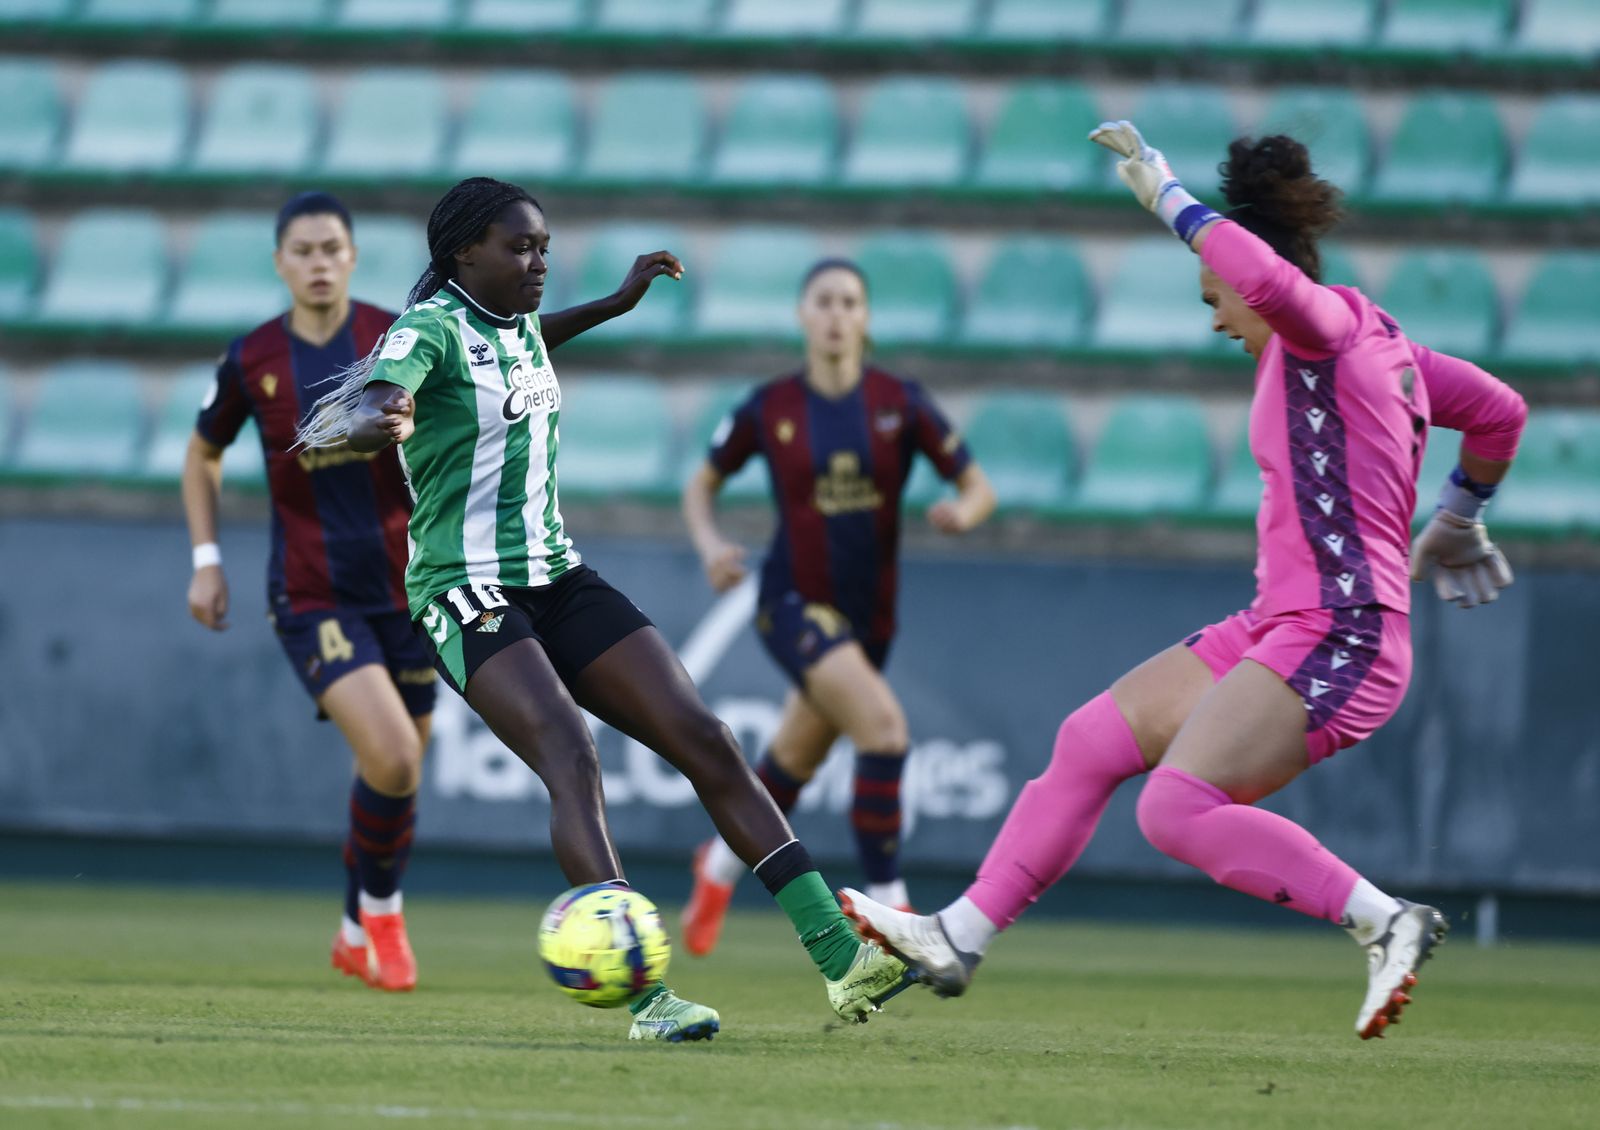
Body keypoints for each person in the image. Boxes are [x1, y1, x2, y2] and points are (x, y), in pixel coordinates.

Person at [841, 125, 1527, 1040]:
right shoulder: (1385, 345)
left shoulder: (1320, 331)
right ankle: (956, 935)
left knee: (1175, 808)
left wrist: (1166, 193)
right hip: (1282, 621)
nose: (1216, 319)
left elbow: (1278, 286)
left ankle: (1385, 919)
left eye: (1217, 299)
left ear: (1251, 283)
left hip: (1343, 634)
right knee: (1090, 740)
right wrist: (1459, 516)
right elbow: (1500, 412)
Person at [295, 177, 910, 1043]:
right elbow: (376, 398)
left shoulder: (513, 332)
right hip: (465, 588)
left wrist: (617, 302)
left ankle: (844, 960)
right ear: (463, 253)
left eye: (544, 247)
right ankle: (645, 1000)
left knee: (705, 737)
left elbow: (534, 341)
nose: (537, 261)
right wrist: (380, 417)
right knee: (571, 754)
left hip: (556, 575)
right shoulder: (426, 331)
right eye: (519, 248)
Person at [678, 259, 996, 957]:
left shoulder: (899, 402)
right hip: (791, 603)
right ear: (802, 315)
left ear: (866, 318)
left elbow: (977, 485)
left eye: (850, 302)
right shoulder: (770, 407)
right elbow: (701, 484)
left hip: (870, 617)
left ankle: (719, 865)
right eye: (823, 301)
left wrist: (962, 513)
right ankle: (895, 912)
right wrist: (709, 546)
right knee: (883, 731)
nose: (836, 314)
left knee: (792, 758)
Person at [182, 192, 435, 993]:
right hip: (313, 591)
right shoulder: (252, 359)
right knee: (393, 755)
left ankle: (353, 927)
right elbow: (202, 455)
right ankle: (383, 919)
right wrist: (206, 557)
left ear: (353, 256)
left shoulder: (394, 340)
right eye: (303, 250)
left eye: (332, 248)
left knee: (397, 768)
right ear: (280, 262)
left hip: (410, 587)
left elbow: (449, 424)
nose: (319, 262)